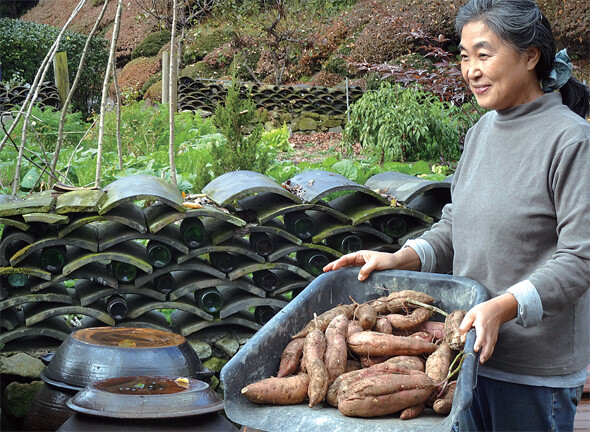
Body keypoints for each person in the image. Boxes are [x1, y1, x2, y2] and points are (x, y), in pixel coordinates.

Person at [323, 0, 590, 430]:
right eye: (465, 57)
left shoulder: (572, 141)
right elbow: (455, 225)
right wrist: (398, 258)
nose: (471, 70)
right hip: (462, 358)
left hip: (532, 372)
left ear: (530, 56)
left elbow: (581, 258)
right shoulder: (482, 132)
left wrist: (501, 308)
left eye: (484, 54)